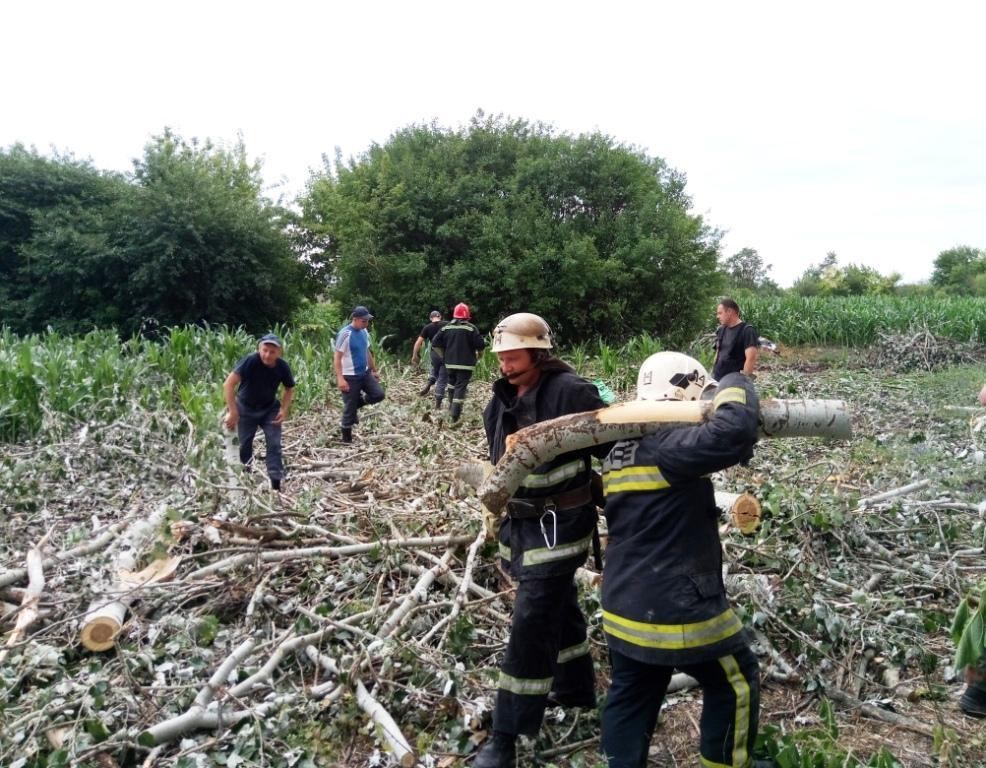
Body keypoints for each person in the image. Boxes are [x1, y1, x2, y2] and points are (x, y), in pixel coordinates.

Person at [599, 351, 771, 768]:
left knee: (632, 693)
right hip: (677, 605)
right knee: (736, 679)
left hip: (624, 603)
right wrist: (735, 380)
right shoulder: (667, 445)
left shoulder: (619, 449)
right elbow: (731, 433)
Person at [473, 312, 609, 768]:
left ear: (538, 350)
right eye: (502, 357)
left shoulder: (572, 392)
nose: (506, 364)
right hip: (520, 525)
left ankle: (506, 735)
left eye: (514, 355)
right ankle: (575, 688)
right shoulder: (498, 401)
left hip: (562, 523)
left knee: (531, 618)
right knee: (556, 603)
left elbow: (614, 442)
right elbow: (498, 465)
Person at [222, 333, 296, 491]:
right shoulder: (250, 361)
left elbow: (289, 388)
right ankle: (246, 479)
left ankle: (276, 483)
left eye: (272, 352)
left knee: (274, 444)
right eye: (265, 350)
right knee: (243, 445)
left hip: (269, 408)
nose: (268, 355)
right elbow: (228, 385)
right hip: (245, 407)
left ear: (279, 353)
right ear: (259, 349)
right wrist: (233, 411)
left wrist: (284, 409)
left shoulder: (282, 366)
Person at [334, 305, 385, 443]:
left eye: (367, 321)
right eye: (364, 321)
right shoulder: (345, 334)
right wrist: (340, 379)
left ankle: (357, 403)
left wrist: (374, 370)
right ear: (355, 319)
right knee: (349, 410)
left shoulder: (364, 332)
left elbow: (367, 352)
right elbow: (337, 358)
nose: (366, 323)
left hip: (365, 373)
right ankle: (346, 439)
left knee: (378, 394)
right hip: (350, 376)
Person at [431, 302, 486, 422]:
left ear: (455, 315)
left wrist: (443, 355)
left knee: (451, 384)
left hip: (449, 364)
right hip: (466, 365)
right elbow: (481, 346)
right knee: (460, 387)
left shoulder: (446, 328)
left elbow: (434, 343)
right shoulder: (471, 328)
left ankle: (451, 407)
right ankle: (455, 415)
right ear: (467, 317)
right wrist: (479, 356)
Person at [713, 297, 759, 380]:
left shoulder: (747, 331)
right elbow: (718, 353)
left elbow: (751, 359)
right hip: (717, 380)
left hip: (734, 382)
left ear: (730, 312)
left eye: (720, 313)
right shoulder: (721, 330)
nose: (717, 316)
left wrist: (744, 382)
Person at [410, 309, 448, 403]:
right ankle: (438, 402)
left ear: (430, 318)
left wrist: (414, 355)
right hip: (446, 353)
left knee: (435, 369)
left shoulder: (427, 328)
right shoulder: (447, 324)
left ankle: (428, 385)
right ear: (440, 317)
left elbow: (418, 342)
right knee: (443, 376)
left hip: (434, 353)